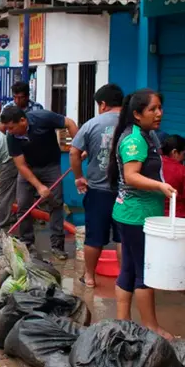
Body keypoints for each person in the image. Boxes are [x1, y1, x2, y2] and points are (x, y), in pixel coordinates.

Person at [108, 89, 177, 340]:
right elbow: (131, 176)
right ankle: (150, 326)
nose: (159, 113)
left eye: (160, 108)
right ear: (137, 114)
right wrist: (160, 186)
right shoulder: (135, 140)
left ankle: (123, 323)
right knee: (144, 271)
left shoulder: (148, 136)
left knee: (128, 267)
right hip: (137, 215)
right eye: (153, 109)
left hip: (134, 213)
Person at [0, 105, 79, 261]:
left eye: (12, 127)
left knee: (55, 204)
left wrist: (78, 148)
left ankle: (57, 246)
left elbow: (70, 123)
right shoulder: (12, 137)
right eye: (7, 128)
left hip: (51, 166)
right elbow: (21, 165)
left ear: (22, 120)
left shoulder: (42, 118)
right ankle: (27, 244)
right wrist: (39, 186)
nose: (10, 131)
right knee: (23, 205)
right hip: (28, 169)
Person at [69, 83, 124, 288]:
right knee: (122, 238)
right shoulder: (133, 124)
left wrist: (79, 177)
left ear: (102, 104)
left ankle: (90, 277)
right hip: (126, 192)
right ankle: (123, 279)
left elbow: (73, 152)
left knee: (94, 237)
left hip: (98, 190)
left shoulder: (92, 124)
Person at [160, 134, 185, 297]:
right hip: (179, 218)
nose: (184, 158)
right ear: (175, 152)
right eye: (184, 154)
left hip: (157, 218)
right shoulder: (182, 171)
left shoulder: (154, 165)